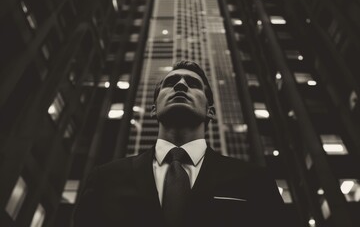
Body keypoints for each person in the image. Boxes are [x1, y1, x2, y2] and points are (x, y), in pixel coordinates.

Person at [73, 60, 288, 227]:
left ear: (210, 111)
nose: (180, 85)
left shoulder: (255, 181)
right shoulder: (105, 179)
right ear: (153, 109)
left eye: (193, 84)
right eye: (170, 82)